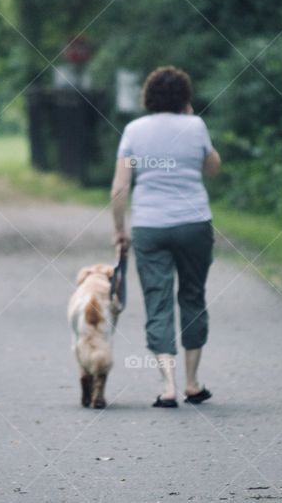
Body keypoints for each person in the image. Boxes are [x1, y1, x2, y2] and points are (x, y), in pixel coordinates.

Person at [111, 66, 222, 408]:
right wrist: (192, 122)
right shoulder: (196, 125)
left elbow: (119, 188)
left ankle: (168, 386)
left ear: (149, 97)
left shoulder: (134, 130)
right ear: (186, 97)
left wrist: (120, 231)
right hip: (194, 223)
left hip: (150, 225)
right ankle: (192, 382)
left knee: (157, 300)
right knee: (192, 296)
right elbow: (213, 168)